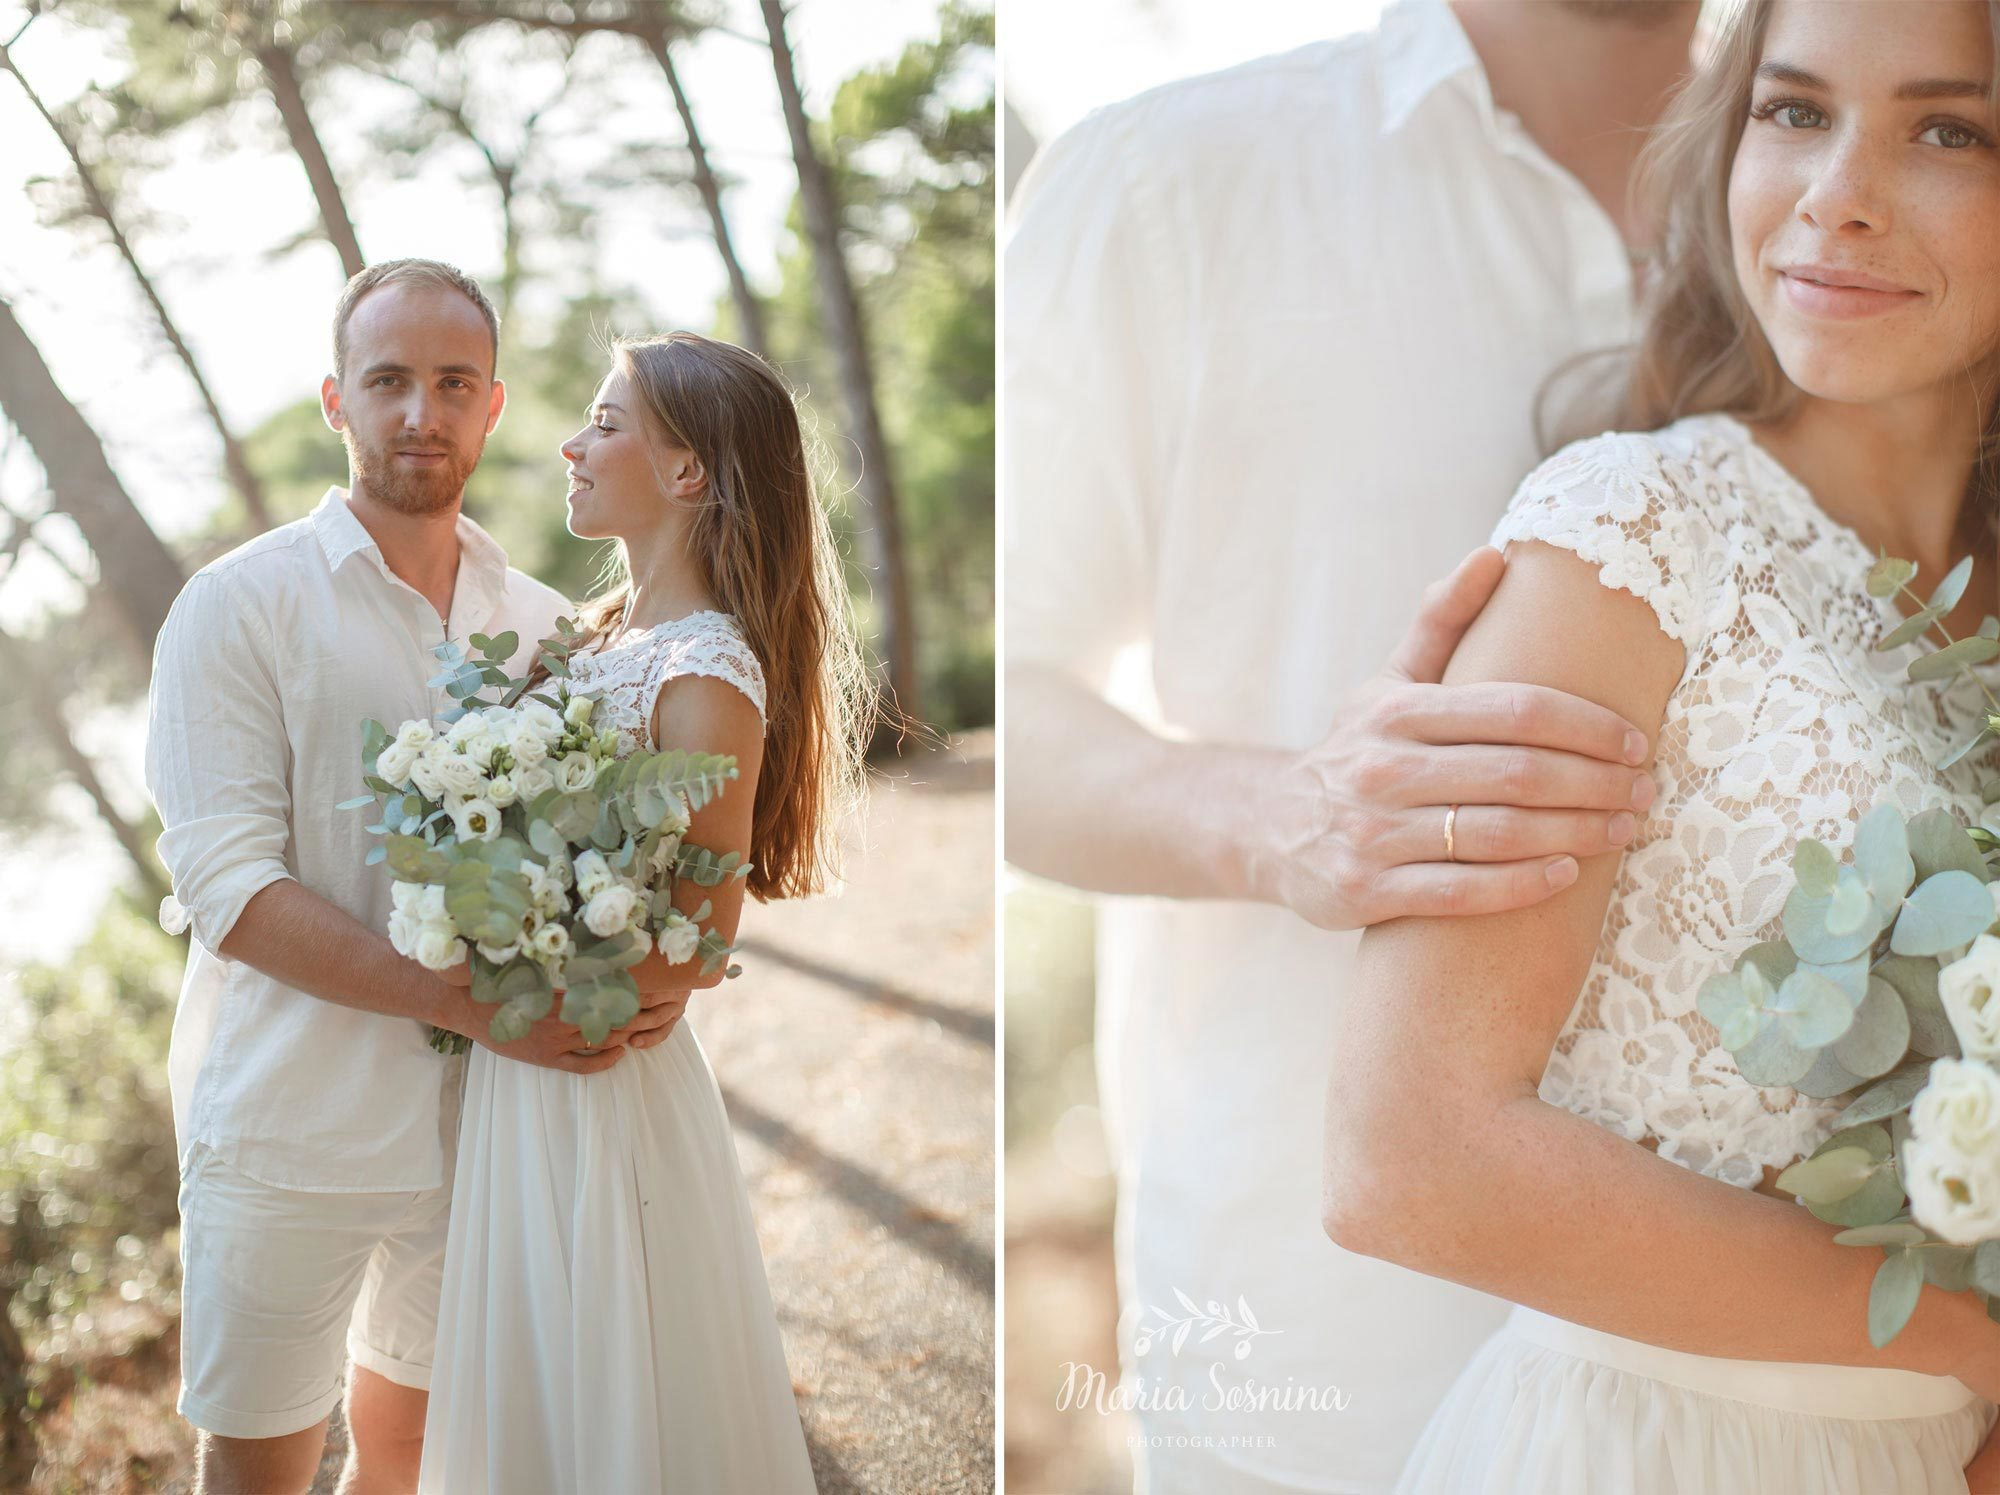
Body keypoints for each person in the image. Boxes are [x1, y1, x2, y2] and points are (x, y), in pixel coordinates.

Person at [1004, 1, 1695, 1487]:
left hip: (1789, 1350)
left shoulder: (1870, 185)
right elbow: (1004, 712)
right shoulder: (1163, 180)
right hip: (1320, 1333)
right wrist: (1286, 812)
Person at [1321, 0, 2000, 1488]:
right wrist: (1974, 1336)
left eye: (1948, 130)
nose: (1837, 196)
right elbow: (1408, 1162)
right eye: (1793, 111)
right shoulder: (1631, 534)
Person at [144, 259, 687, 1494]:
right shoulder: (235, 607)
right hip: (291, 1124)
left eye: (452, 383)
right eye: (388, 380)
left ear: (492, 406)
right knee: (257, 1468)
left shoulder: (548, 626)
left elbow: (610, 853)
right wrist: (469, 1004)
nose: (419, 413)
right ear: (336, 399)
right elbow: (228, 890)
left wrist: (639, 973)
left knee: (414, 1459)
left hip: (488, 1134)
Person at [415, 331, 873, 1492]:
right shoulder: (594, 637)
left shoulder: (704, 672)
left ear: (686, 470)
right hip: (528, 1057)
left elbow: (702, 933)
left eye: (605, 422)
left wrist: (551, 983)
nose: (571, 445)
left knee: (612, 1375)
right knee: (535, 1375)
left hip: (597, 1074)